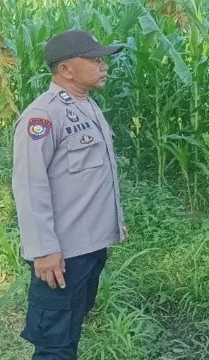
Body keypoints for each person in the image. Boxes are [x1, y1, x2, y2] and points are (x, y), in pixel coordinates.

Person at [11, 29, 129, 360]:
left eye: (103, 59)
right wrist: (44, 250)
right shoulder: (43, 116)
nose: (103, 66)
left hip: (90, 245)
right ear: (66, 69)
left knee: (72, 327)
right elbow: (30, 186)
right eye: (94, 60)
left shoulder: (87, 106)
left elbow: (93, 177)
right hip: (62, 254)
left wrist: (114, 220)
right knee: (55, 343)